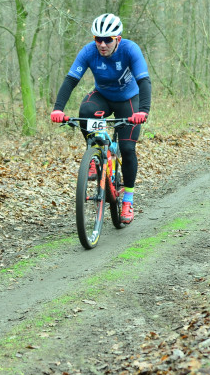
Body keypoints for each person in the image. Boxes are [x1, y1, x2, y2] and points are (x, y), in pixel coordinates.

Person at [51, 13, 151, 225]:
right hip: (103, 97)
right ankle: (95, 153)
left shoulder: (130, 50)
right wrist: (58, 109)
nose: (102, 44)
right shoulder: (88, 51)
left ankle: (128, 200)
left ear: (118, 39)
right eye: (98, 39)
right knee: (86, 111)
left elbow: (144, 81)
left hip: (129, 100)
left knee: (127, 148)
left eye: (108, 40)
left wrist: (143, 111)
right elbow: (71, 80)